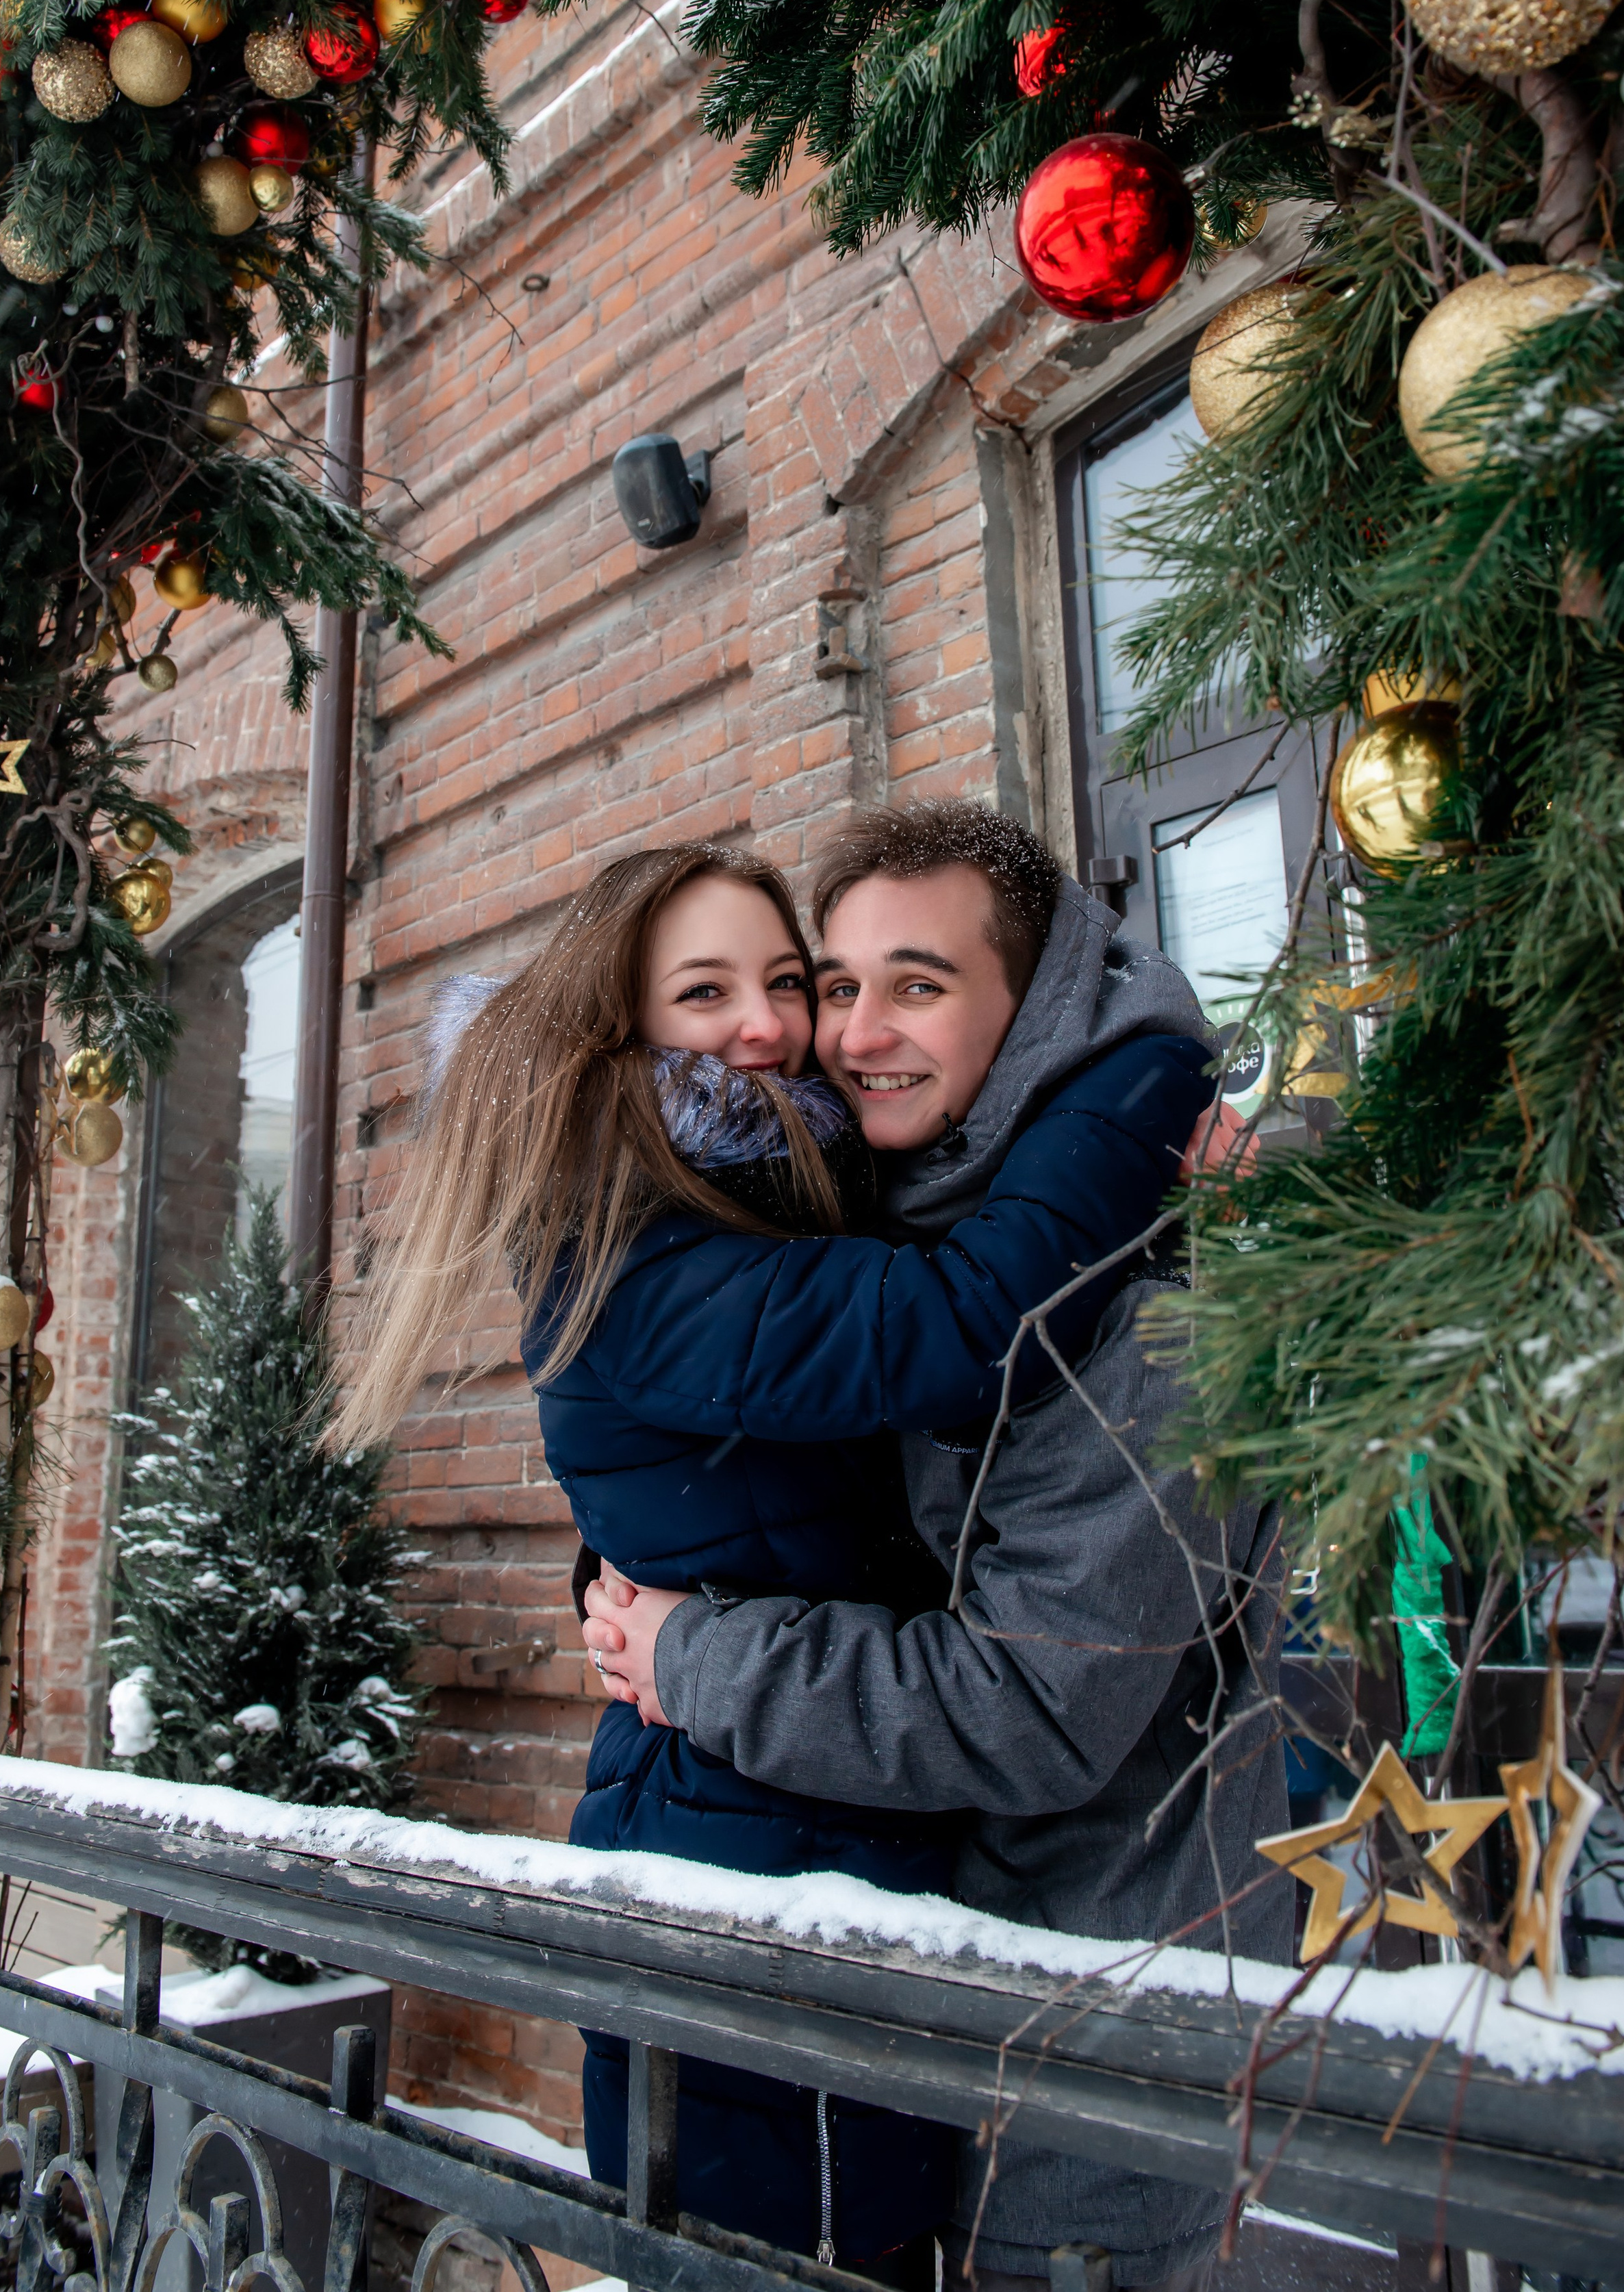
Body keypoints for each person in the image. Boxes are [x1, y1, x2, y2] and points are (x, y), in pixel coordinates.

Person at [336, 835, 1218, 2280]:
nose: (774, 1023)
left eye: (783, 979)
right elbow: (960, 1315)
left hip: (827, 1851)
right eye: (705, 991)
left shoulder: (767, 1195)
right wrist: (1146, 1082)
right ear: (622, 1031)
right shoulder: (650, 1241)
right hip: (747, 1864)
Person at [582, 804, 1291, 2292]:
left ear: (1024, 1006)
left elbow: (1027, 1708)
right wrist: (614, 1572)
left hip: (1075, 2059)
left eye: (915, 984)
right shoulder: (882, 1226)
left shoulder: (1141, 1313)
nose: (846, 1034)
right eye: (835, 987)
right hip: (903, 2037)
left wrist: (692, 1650)